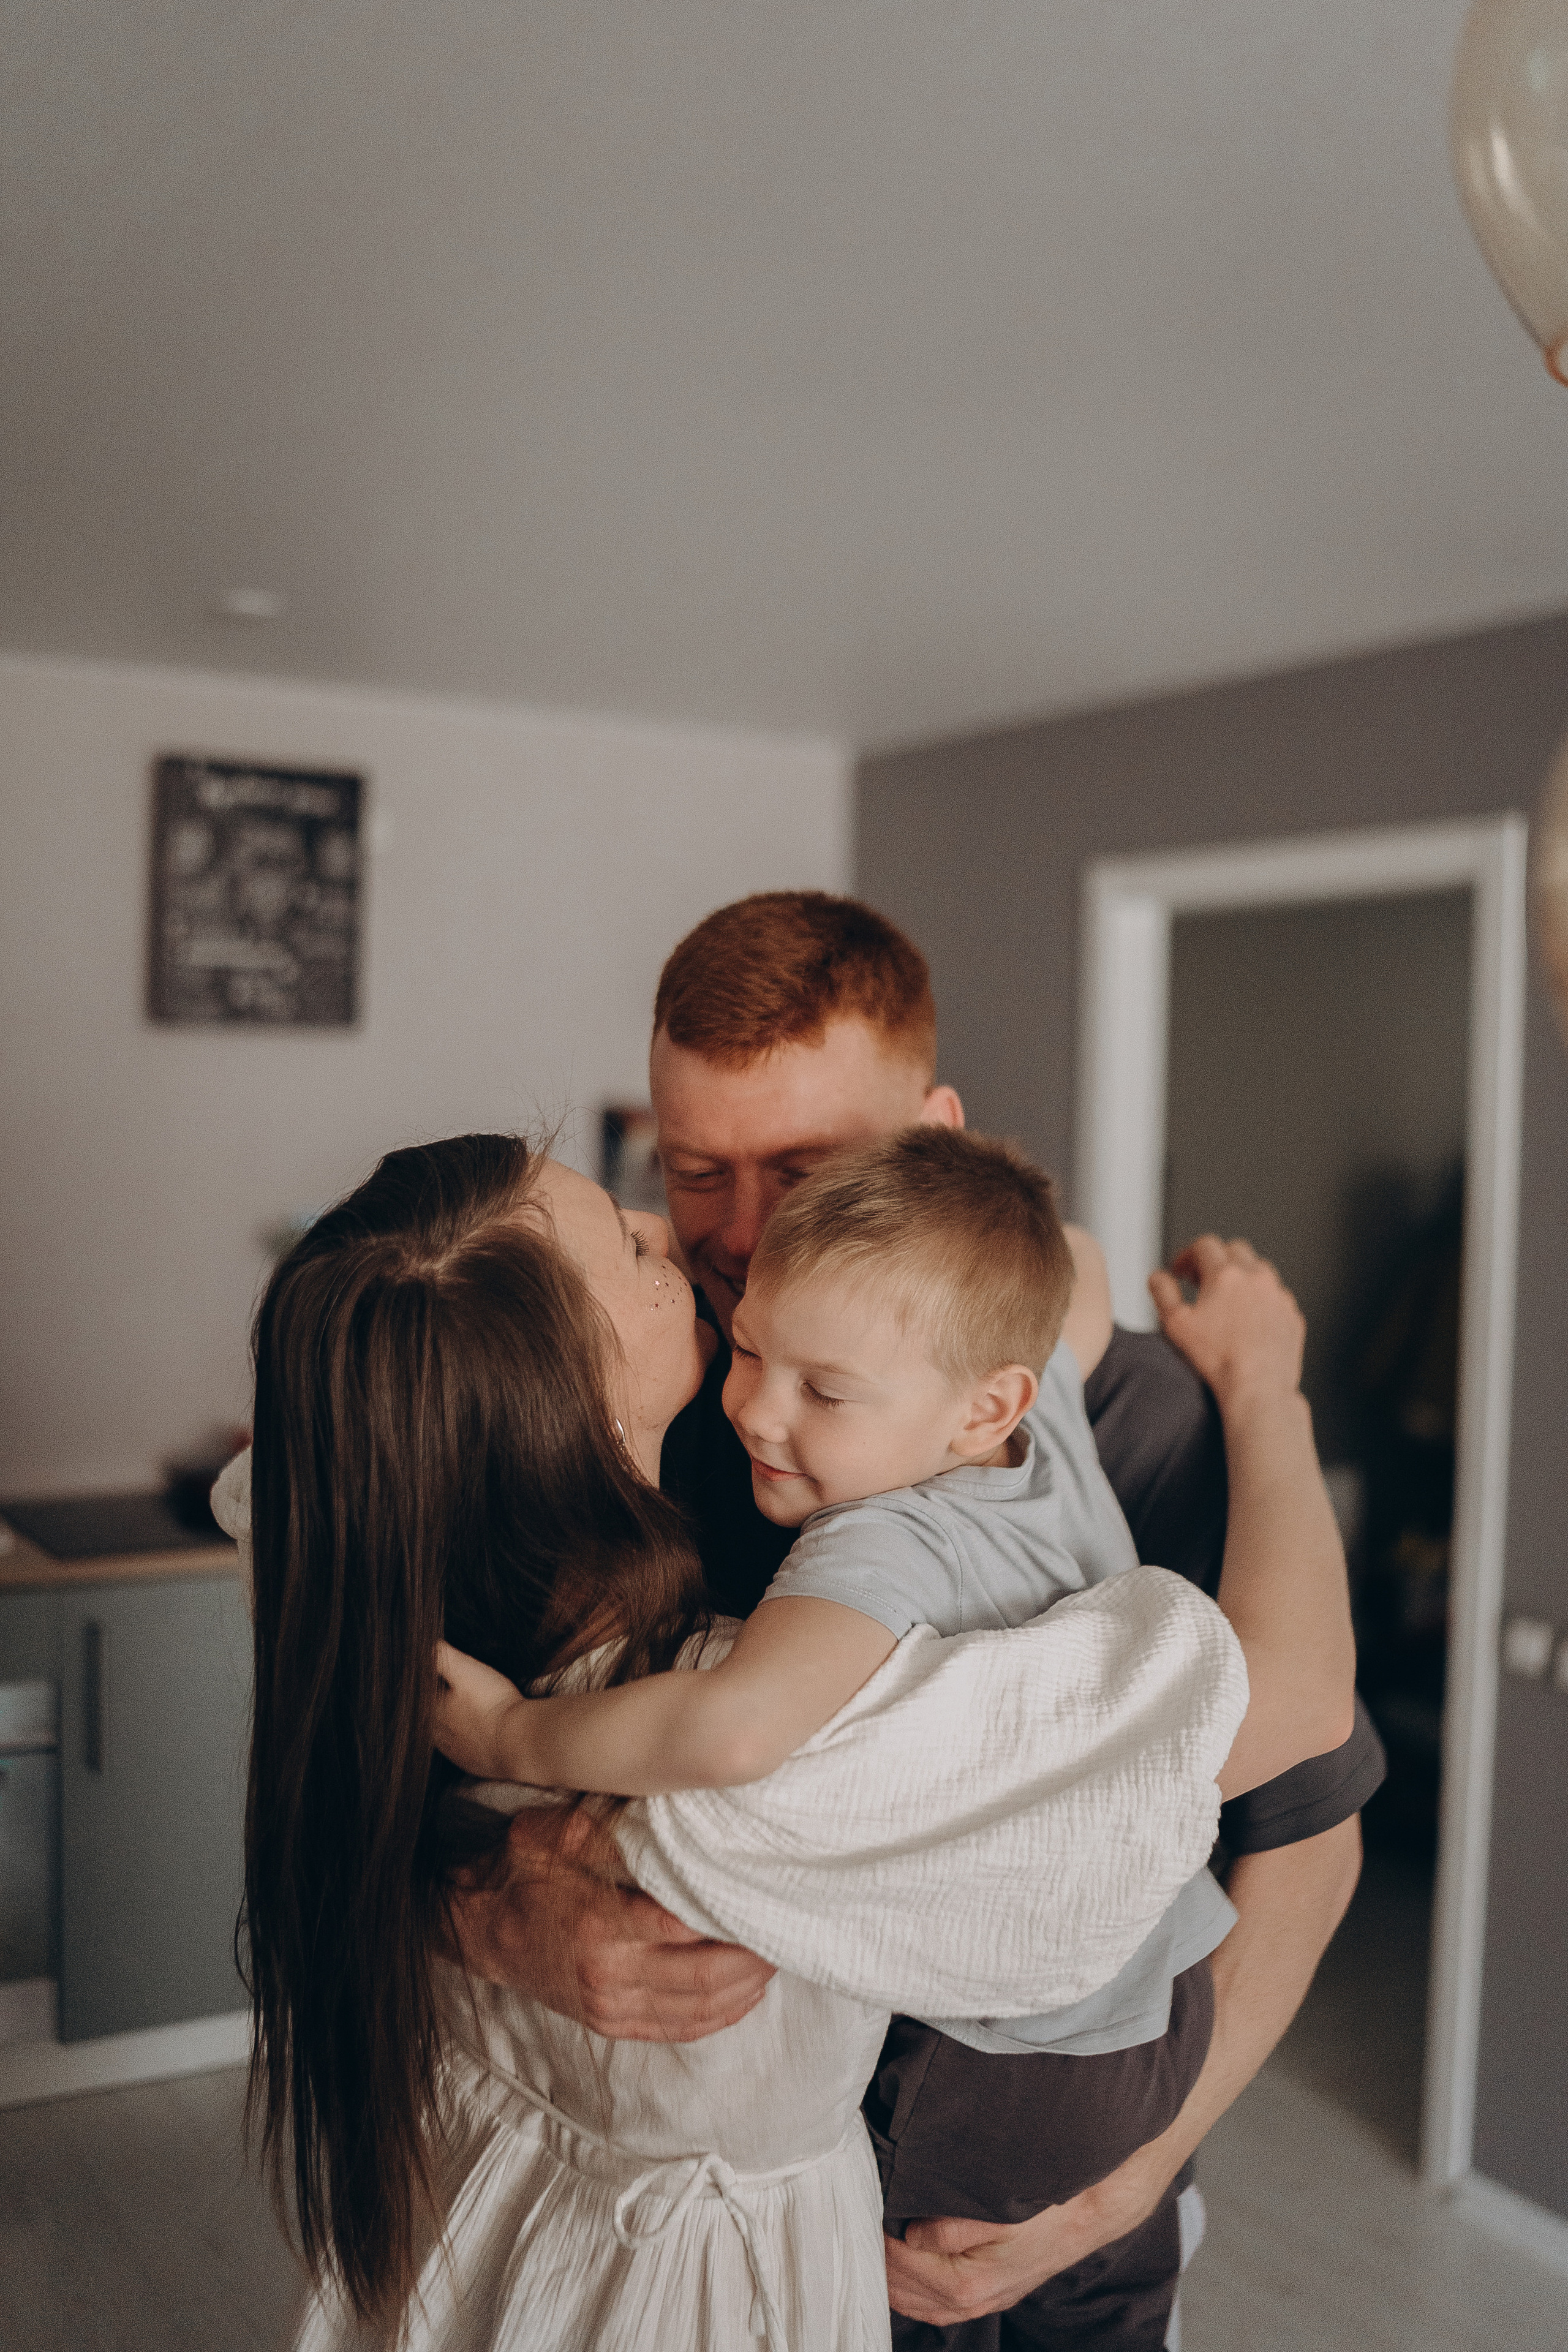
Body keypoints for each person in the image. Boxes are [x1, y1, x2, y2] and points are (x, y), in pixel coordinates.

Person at [451, 891, 1382, 2347]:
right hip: (744, 2226)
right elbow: (401, 1764)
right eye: (695, 1172)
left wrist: (1112, 2188)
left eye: (808, 1168)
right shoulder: (646, 1386)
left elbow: (1307, 1832)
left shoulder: (1133, 1421)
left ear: (933, 1141)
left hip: (1040, 2177)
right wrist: (490, 1913)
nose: (746, 1237)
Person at [231, 1131, 1284, 2351]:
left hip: (488, 2222)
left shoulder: (352, 1539)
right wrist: (476, 1889)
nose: (703, 1238)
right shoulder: (744, 1708)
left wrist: (1262, 1395)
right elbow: (1176, 1708)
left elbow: (1268, 1731)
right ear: (570, 1383)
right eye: (645, 1227)